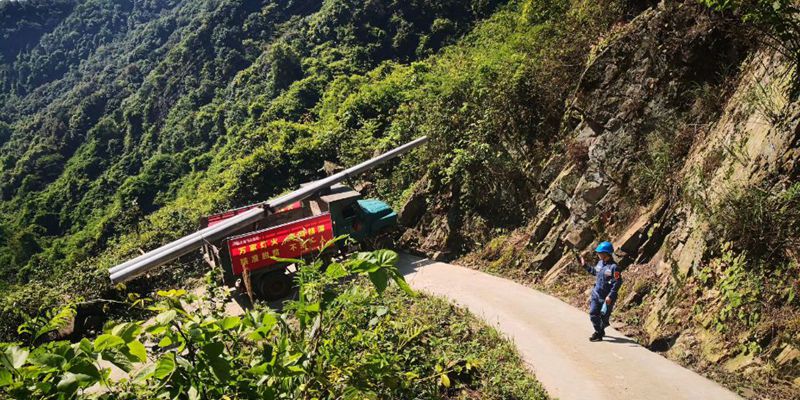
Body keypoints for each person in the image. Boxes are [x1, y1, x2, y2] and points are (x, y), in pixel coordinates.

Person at [580, 241, 622, 342]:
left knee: (604, 318)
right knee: (593, 314)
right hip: (596, 294)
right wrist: (585, 265)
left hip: (606, 298)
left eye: (600, 253)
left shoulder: (614, 267)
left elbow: (617, 282)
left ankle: (600, 330)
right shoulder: (600, 263)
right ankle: (598, 333)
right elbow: (594, 272)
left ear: (606, 254)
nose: (598, 254)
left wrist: (610, 296)